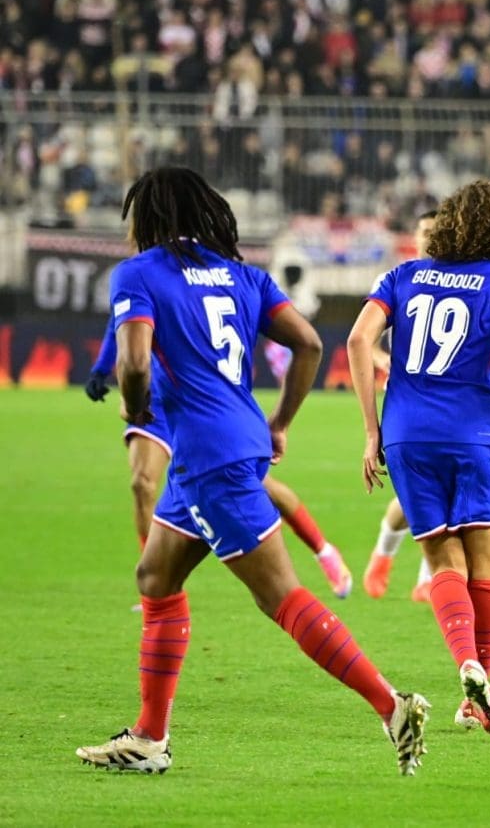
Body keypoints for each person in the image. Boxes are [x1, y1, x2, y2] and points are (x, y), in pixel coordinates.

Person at [76, 167, 427, 776]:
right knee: (155, 578)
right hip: (228, 443)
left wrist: (135, 408)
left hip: (207, 456)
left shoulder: (139, 273)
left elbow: (133, 362)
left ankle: (391, 706)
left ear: (151, 216)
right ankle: (150, 738)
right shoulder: (244, 275)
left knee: (281, 597)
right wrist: (281, 421)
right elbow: (309, 344)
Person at [347, 179, 490, 740]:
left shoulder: (404, 274)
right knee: (483, 565)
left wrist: (371, 430)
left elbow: (358, 341)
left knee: (443, 560)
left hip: (406, 434)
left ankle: (466, 665)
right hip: (473, 432)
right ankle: (477, 689)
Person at [85, 318, 355, 599]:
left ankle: (323, 550)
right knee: (142, 483)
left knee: (258, 485)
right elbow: (122, 319)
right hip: (153, 400)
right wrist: (102, 368)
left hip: (199, 399)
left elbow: (304, 341)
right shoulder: (140, 288)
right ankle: (152, 588)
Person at [362, 209, 440, 604]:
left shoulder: (465, 282)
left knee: (442, 493)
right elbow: (365, 339)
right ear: (415, 235)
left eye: (437, 231)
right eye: (425, 230)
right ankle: (383, 555)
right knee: (414, 499)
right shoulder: (396, 278)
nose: (430, 237)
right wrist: (381, 359)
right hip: (407, 403)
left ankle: (428, 578)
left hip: (448, 404)